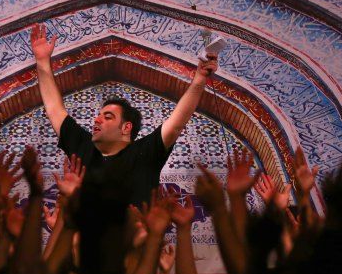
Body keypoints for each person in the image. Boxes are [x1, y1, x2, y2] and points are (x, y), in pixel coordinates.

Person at [30, 22, 219, 206]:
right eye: (99, 115)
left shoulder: (145, 154)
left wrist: (199, 79)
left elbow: (177, 123)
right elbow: (54, 108)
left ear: (126, 127)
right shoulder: (84, 149)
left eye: (108, 117)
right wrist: (42, 61)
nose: (97, 120)